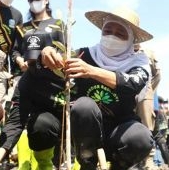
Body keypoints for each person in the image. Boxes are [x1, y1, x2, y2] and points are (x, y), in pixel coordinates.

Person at [41, 6, 154, 170]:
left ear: (131, 39)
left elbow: (133, 84)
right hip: (86, 134)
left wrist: (91, 71)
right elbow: (59, 61)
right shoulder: (83, 55)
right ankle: (87, 163)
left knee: (141, 138)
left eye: (120, 33)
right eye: (108, 30)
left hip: (121, 131)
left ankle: (118, 165)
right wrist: (48, 52)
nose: (112, 36)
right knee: (83, 105)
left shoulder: (139, 63)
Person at [0, 0, 66, 169]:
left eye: (40, 58)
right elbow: (16, 121)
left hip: (65, 116)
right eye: (32, 60)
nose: (36, 64)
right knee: (40, 124)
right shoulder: (27, 80)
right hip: (45, 120)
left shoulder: (70, 74)